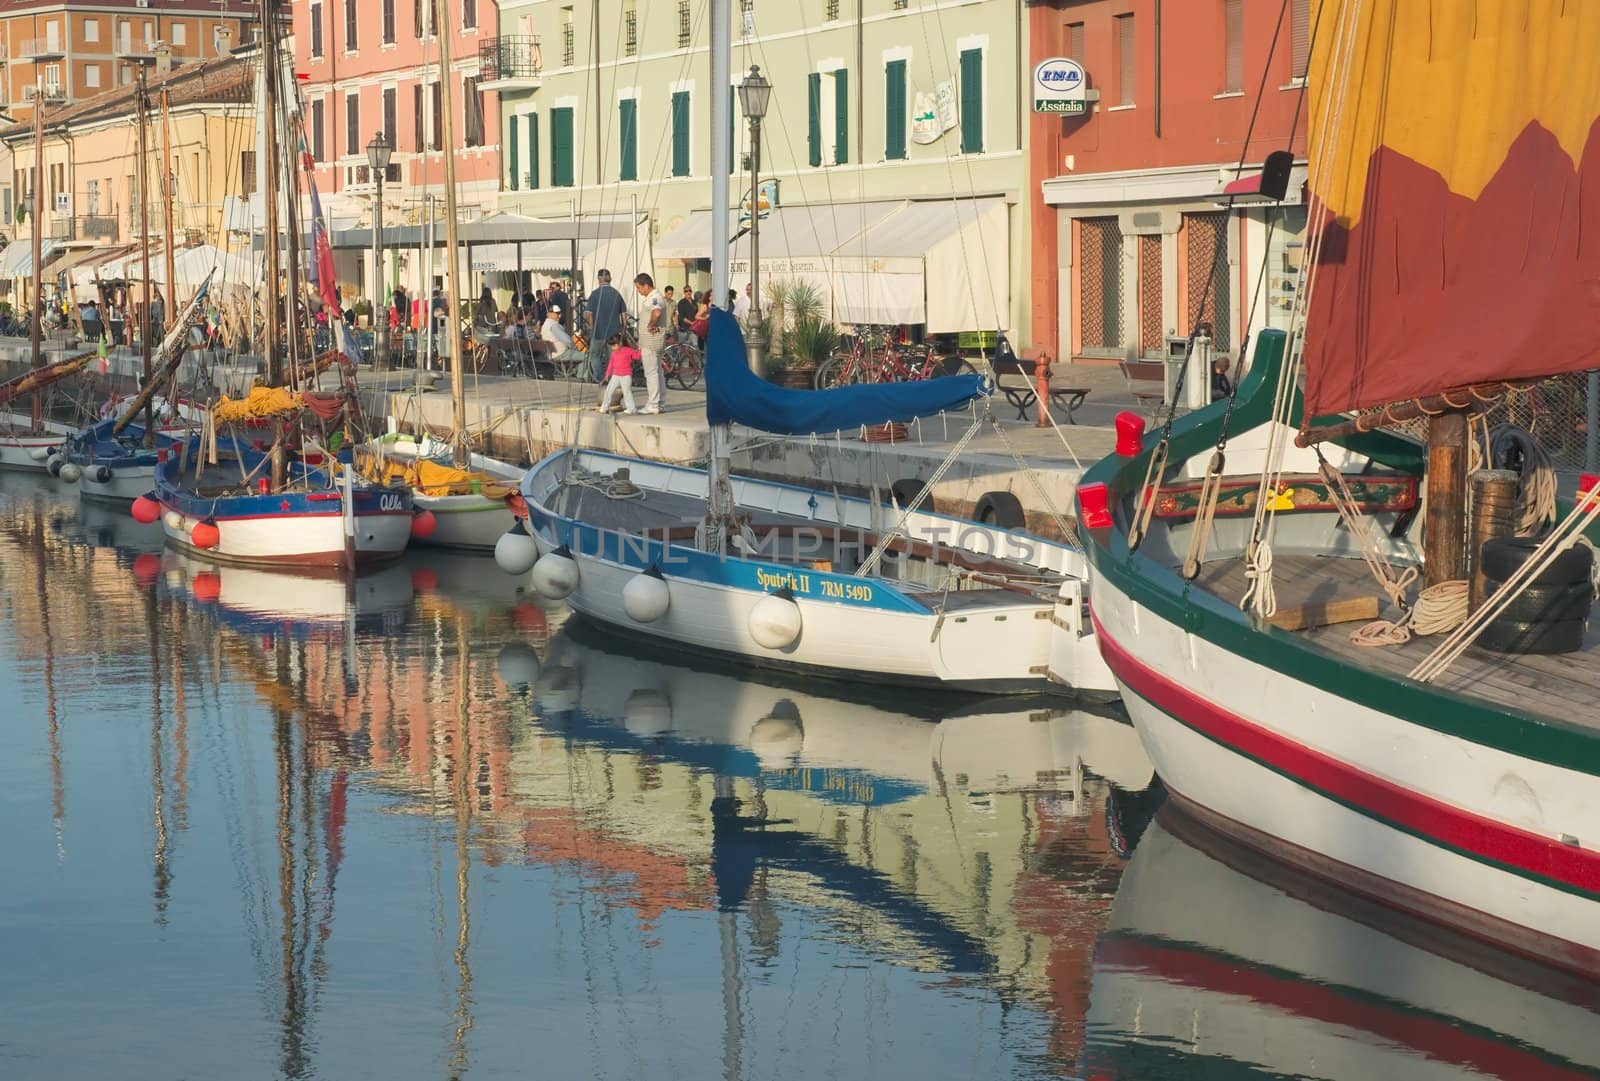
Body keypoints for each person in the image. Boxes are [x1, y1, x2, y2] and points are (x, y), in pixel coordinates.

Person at [633, 272, 667, 414]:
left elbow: (657, 312)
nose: (638, 291)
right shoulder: (655, 297)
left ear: (646, 285)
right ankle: (660, 402)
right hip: (654, 342)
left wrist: (651, 324)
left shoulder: (655, 298)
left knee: (651, 373)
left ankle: (653, 404)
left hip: (651, 342)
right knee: (658, 372)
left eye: (639, 288)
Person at [584, 268, 625, 382]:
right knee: (612, 357)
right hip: (614, 333)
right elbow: (624, 317)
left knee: (594, 355)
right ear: (610, 279)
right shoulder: (617, 294)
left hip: (598, 332)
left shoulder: (595, 294)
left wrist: (592, 326)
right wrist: (623, 330)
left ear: (598, 279)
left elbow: (589, 314)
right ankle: (611, 378)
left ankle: (600, 376)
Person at [597, 334, 640, 414]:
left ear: (620, 343)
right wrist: (607, 375)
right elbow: (611, 364)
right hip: (616, 375)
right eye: (611, 346)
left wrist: (639, 350)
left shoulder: (628, 350)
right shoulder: (614, 353)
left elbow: (637, 357)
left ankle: (631, 408)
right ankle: (604, 407)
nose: (612, 348)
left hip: (626, 375)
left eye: (614, 345)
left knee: (626, 392)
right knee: (609, 391)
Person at [540, 304, 586, 374]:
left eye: (560, 313)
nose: (559, 316)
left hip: (551, 354)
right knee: (586, 356)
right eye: (557, 313)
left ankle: (579, 374)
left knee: (580, 356)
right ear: (550, 314)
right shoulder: (554, 325)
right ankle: (581, 376)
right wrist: (575, 347)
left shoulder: (545, 325)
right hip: (561, 354)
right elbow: (567, 340)